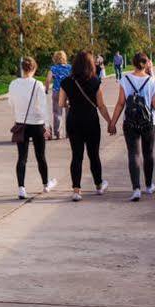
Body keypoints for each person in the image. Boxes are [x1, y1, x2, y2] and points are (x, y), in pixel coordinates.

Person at [108, 52, 155, 201]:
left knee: (134, 154)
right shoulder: (153, 81)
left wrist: (112, 123)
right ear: (146, 64)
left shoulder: (125, 80)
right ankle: (149, 186)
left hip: (130, 122)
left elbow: (120, 103)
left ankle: (136, 189)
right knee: (148, 153)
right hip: (148, 122)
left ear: (133, 63)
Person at [59, 52, 112, 202]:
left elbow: (61, 104)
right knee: (93, 154)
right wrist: (110, 122)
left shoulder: (67, 82)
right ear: (90, 65)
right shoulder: (95, 81)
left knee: (76, 155)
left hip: (74, 121)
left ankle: (76, 190)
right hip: (91, 121)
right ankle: (99, 185)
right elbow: (101, 105)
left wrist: (71, 103)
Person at [10, 56, 56, 199]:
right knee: (40, 156)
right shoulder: (38, 85)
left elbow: (11, 103)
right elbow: (43, 106)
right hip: (37, 123)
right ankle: (45, 184)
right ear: (34, 68)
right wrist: (47, 125)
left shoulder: (13, 84)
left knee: (22, 157)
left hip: (21, 123)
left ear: (22, 68)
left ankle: (21, 188)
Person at [45, 51, 72, 140]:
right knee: (69, 113)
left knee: (57, 113)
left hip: (57, 92)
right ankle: (69, 133)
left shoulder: (53, 68)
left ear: (55, 59)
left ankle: (58, 134)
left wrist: (46, 89)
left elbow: (48, 80)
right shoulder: (69, 68)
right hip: (68, 92)